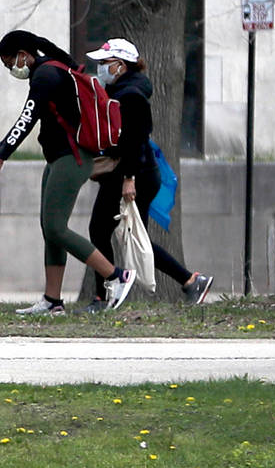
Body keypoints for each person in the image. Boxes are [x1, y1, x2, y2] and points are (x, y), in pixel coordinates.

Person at [0, 28, 137, 315]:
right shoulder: (50, 70)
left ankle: (116, 276)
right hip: (59, 159)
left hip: (71, 159)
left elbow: (27, 118)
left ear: (23, 55)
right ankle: (52, 301)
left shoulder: (46, 75)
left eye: (11, 63)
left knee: (55, 228)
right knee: (49, 228)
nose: (12, 69)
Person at [84, 37, 214, 306]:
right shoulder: (123, 90)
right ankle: (190, 281)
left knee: (101, 231)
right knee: (130, 236)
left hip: (133, 174)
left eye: (104, 63)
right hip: (135, 173)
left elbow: (135, 139)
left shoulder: (130, 95)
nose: (99, 68)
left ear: (120, 65)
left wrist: (128, 179)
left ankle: (104, 295)